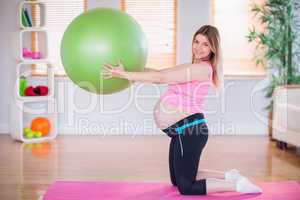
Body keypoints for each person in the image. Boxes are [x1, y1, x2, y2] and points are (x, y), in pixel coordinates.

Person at [100, 25, 262, 196]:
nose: (199, 47)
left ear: (213, 48)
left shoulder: (202, 68)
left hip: (190, 131)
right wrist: (129, 71)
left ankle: (239, 186)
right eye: (196, 41)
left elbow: (160, 78)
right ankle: (230, 176)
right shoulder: (194, 66)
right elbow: (159, 72)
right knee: (177, 180)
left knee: (186, 187)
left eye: (205, 44)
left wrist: (124, 75)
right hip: (181, 131)